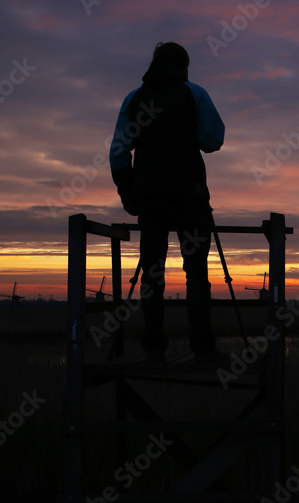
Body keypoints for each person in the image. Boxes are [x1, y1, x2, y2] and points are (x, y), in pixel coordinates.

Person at [109, 42, 225, 362]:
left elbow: (119, 152)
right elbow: (213, 140)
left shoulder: (134, 99)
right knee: (197, 274)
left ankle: (154, 350)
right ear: (184, 66)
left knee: (152, 276)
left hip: (150, 201)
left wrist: (128, 193)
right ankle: (203, 349)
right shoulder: (195, 93)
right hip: (191, 198)